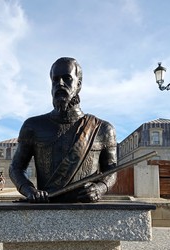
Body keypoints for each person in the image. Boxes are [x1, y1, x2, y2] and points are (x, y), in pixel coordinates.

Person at [9, 57, 117, 203]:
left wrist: (100, 189)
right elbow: (15, 168)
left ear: (78, 85)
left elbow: (111, 171)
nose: (60, 84)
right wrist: (30, 190)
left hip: (85, 212)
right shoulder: (32, 126)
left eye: (67, 78)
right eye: (55, 79)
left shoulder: (103, 129)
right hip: (47, 209)